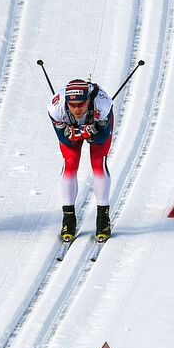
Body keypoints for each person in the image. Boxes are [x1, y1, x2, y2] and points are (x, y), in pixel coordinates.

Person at [48, 79, 114, 242]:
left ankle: (103, 219)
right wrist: (76, 133)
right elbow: (65, 139)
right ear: (66, 103)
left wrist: (89, 132)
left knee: (98, 163)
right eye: (72, 105)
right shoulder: (56, 108)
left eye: (81, 104)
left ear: (89, 101)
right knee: (70, 163)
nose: (77, 109)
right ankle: (68, 218)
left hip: (97, 125)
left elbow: (102, 137)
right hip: (72, 126)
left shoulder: (102, 104)